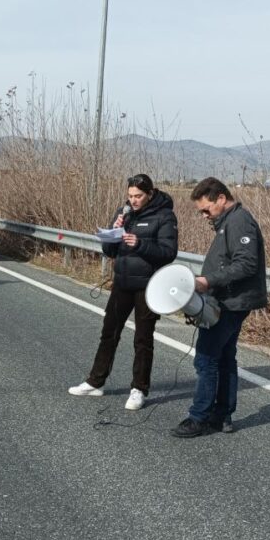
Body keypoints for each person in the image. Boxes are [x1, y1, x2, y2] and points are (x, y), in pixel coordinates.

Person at [68, 173, 178, 409]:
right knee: (109, 333)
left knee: (143, 339)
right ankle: (95, 382)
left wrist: (140, 244)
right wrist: (113, 232)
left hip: (148, 286)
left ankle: (139, 389)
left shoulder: (164, 215)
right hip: (122, 283)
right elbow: (109, 250)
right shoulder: (123, 212)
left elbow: (169, 252)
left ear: (149, 194)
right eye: (130, 196)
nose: (133, 200)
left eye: (138, 196)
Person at [171, 177, 267, 438]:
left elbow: (247, 264)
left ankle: (198, 417)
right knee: (224, 358)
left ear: (221, 199)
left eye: (206, 209)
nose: (204, 215)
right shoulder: (228, 222)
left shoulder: (239, 221)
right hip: (230, 300)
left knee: (206, 359)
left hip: (231, 303)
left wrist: (208, 280)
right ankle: (222, 415)